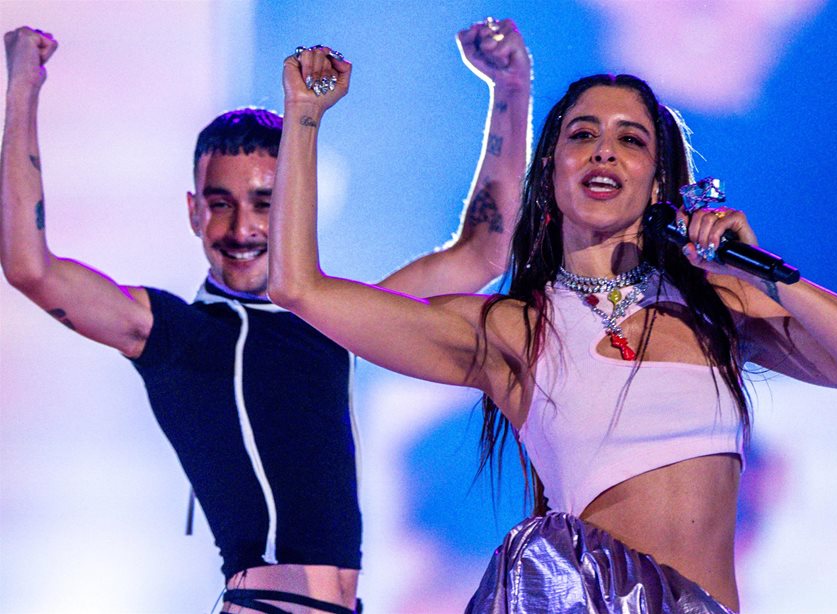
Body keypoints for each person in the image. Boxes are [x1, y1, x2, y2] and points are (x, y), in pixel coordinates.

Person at [267, 55, 837, 612]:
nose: (605, 150)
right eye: (583, 135)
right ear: (552, 172)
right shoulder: (512, 329)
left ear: (659, 183)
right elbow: (299, 288)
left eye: (630, 139)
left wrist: (764, 272)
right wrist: (304, 114)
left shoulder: (717, 306)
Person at [1, 19, 531, 614]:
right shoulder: (178, 334)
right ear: (194, 213)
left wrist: (510, 89)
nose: (242, 228)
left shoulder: (329, 320)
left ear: (294, 208)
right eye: (220, 204)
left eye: (264, 204)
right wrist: (22, 85)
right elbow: (30, 268)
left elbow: (483, 253)